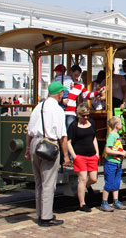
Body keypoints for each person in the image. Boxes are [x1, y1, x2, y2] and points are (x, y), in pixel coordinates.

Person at [24, 81, 71, 227]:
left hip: (34, 144)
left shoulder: (39, 106)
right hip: (49, 145)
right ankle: (46, 217)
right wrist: (66, 156)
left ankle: (40, 213)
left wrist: (27, 148)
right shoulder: (57, 110)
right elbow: (62, 136)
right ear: (59, 93)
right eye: (62, 92)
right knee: (48, 183)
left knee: (39, 182)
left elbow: (29, 131)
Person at [67, 103, 99, 212]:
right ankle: (82, 203)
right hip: (80, 156)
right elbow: (69, 142)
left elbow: (94, 138)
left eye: (87, 115)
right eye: (83, 116)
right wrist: (74, 156)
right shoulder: (73, 126)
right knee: (83, 178)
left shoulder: (92, 123)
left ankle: (87, 186)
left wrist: (97, 153)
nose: (86, 118)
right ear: (78, 115)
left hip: (91, 155)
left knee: (94, 179)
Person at [101, 116, 126, 211]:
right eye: (121, 123)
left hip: (118, 163)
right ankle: (104, 202)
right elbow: (108, 150)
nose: (122, 125)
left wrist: (123, 152)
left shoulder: (117, 136)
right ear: (117, 125)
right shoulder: (112, 136)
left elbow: (116, 148)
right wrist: (120, 153)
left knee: (116, 183)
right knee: (109, 183)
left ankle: (116, 200)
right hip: (111, 163)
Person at [64, 65, 104, 129]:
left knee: (70, 131)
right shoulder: (63, 81)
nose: (77, 78)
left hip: (70, 112)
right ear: (71, 72)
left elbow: (88, 95)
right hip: (61, 111)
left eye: (78, 76)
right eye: (75, 75)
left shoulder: (80, 85)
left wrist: (98, 92)